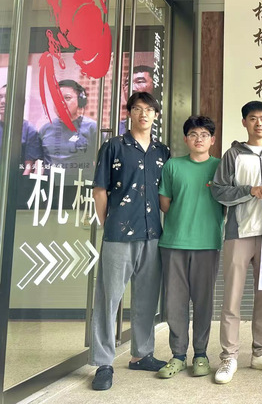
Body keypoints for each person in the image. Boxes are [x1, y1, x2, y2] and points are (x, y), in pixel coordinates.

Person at [89, 91, 170, 391]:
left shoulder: (163, 151)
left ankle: (142, 354)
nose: (143, 114)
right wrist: (107, 224)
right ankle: (103, 362)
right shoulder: (114, 146)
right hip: (119, 235)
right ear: (130, 113)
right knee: (108, 299)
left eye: (149, 109)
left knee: (147, 299)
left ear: (156, 115)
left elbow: (165, 195)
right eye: (137, 108)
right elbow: (100, 190)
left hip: (153, 235)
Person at [210, 100, 262, 384]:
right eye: (253, 118)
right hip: (239, 232)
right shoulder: (233, 154)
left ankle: (261, 352)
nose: (259, 123)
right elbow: (219, 191)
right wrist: (249, 191)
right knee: (232, 297)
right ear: (244, 122)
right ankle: (229, 356)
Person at [156, 116, 224, 379]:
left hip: (207, 243)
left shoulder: (219, 168)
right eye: (193, 134)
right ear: (185, 139)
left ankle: (201, 354)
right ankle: (177, 355)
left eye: (204, 135)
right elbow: (165, 203)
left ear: (212, 140)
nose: (199, 139)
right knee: (175, 302)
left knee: (204, 302)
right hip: (174, 243)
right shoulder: (173, 165)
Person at [39, 80, 97, 180]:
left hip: (80, 186)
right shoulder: (45, 129)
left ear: (80, 101)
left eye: (67, 98)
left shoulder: (92, 128)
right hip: (50, 186)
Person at [0, 84, 42, 175]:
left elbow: (29, 167)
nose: (2, 101)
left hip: (14, 180)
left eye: (7, 97)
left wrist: (19, 183)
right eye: (0, 97)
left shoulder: (29, 130)